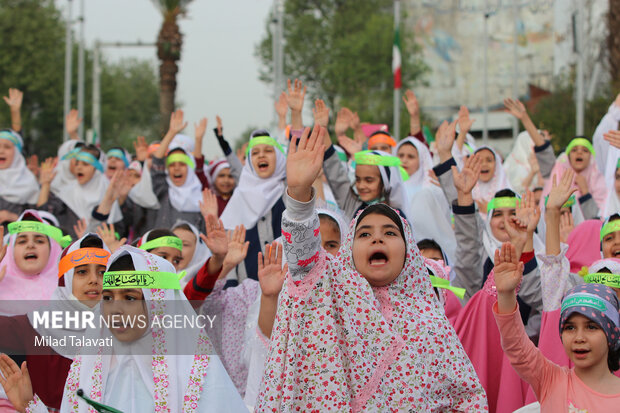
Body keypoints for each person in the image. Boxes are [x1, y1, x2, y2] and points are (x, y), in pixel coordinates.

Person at [257, 124, 487, 411]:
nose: (377, 237)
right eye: (364, 234)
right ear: (349, 252)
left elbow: (467, 398)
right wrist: (300, 194)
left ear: (409, 253)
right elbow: (303, 255)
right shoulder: (333, 293)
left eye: (390, 233)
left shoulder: (430, 319)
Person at [0, 245, 247, 412]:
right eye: (107, 298)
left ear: (158, 304)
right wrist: (30, 407)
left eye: (129, 298)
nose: (114, 310)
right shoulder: (90, 367)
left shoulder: (197, 372)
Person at [494, 242, 620, 412]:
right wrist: (506, 294)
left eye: (591, 327)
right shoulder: (550, 380)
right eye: (570, 328)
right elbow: (517, 347)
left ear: (611, 332)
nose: (579, 337)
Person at [0, 233, 109, 411]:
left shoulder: (126, 330)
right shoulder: (33, 326)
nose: (94, 280)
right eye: (81, 271)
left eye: (103, 272)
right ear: (64, 279)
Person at [37, 146, 124, 238]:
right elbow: (44, 216)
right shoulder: (67, 192)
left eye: (85, 164)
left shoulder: (109, 192)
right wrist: (45, 185)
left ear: (96, 169)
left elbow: (118, 231)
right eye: (77, 164)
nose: (79, 168)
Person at [0, 210, 66, 316]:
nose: (30, 245)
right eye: (22, 241)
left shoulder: (71, 287)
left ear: (52, 250)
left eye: (39, 241)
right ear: (11, 250)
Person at [150, 110, 205, 230]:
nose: (176, 168)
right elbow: (156, 163)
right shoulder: (164, 192)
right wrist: (171, 132)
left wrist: (199, 140)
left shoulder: (202, 198)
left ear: (190, 169)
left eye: (182, 164)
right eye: (172, 164)